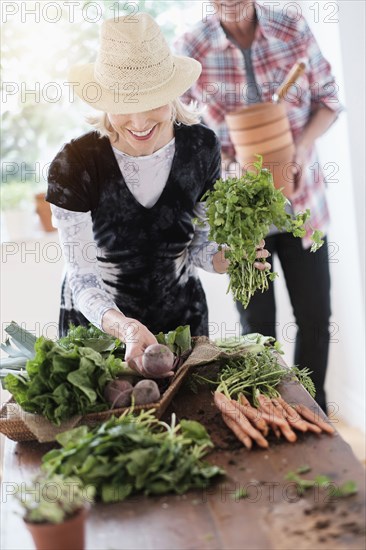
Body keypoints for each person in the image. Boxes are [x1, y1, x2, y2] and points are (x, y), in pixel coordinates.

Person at [46, 13, 270, 376]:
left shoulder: (201, 148)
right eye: (122, 103)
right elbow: (82, 278)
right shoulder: (75, 164)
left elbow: (197, 245)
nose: (138, 122)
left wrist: (223, 258)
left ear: (173, 93)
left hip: (182, 327)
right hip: (101, 337)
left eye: (152, 100)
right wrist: (126, 328)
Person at [175, 0, 343, 411]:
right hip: (243, 221)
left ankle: (313, 413)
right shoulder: (191, 47)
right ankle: (272, 414)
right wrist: (228, 165)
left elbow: (328, 99)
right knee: (257, 330)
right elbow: (179, 126)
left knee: (316, 319)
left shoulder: (291, 26)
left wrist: (302, 148)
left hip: (301, 206)